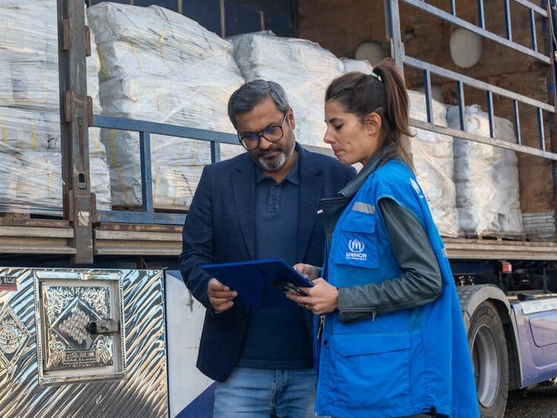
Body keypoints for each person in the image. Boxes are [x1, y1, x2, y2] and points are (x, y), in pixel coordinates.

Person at [286, 60, 480, 418]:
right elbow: (376, 264)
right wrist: (319, 275)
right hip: (377, 381)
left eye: (337, 124)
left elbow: (425, 280)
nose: (328, 136)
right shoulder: (376, 182)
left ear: (372, 124)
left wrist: (340, 299)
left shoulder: (386, 185)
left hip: (390, 387)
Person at [179, 79, 356, 418]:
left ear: (290, 118)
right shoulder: (218, 180)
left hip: (314, 364)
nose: (263, 144)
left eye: (272, 130)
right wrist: (207, 287)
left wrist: (321, 274)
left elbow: (357, 257)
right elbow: (193, 255)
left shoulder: (338, 177)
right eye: (250, 137)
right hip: (240, 368)